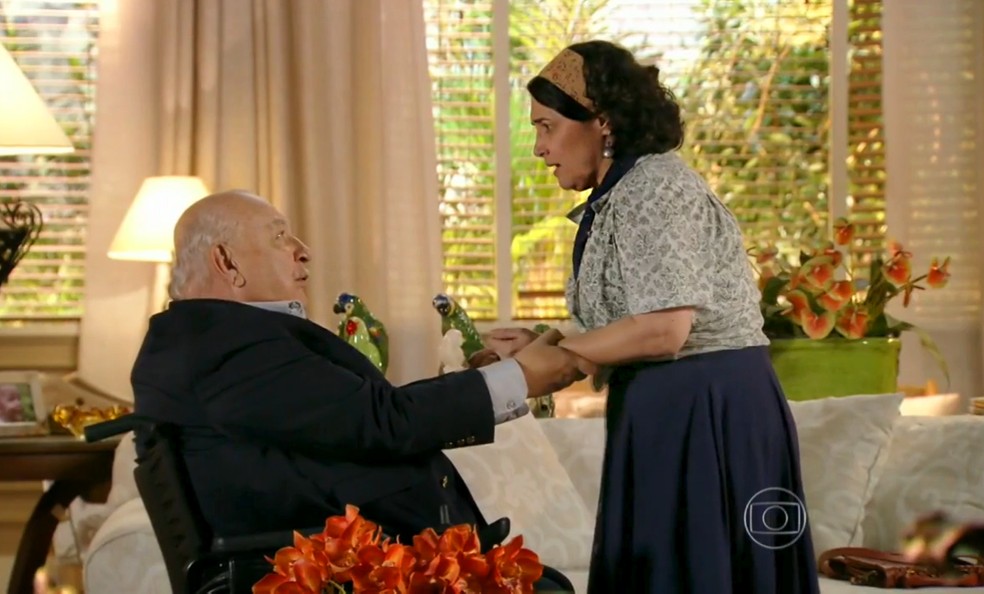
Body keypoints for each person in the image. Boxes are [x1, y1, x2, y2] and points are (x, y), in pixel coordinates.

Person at [487, 41, 821, 593]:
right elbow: (636, 320)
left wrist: (559, 356)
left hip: (707, 410)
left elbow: (665, 330)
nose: (540, 148)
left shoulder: (654, 187)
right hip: (668, 405)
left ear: (602, 122)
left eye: (547, 127)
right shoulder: (619, 195)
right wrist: (540, 342)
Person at [130, 190, 585, 552]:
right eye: (279, 236)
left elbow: (360, 414)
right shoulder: (225, 343)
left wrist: (500, 374)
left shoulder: (213, 338)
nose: (303, 251)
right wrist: (519, 378)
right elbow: (383, 420)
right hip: (360, 566)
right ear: (226, 261)